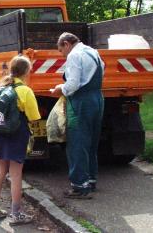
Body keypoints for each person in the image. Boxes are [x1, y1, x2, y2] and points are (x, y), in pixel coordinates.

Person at [0, 55, 41, 225]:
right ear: (27, 71)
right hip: (16, 135)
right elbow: (34, 117)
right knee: (16, 174)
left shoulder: (1, 87)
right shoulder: (25, 91)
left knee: (0, 172)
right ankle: (16, 214)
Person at [51, 32, 104, 199]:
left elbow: (73, 84)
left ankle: (79, 186)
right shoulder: (92, 51)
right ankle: (91, 179)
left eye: (61, 50)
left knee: (77, 142)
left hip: (81, 101)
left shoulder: (74, 55)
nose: (63, 54)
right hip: (97, 98)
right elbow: (103, 69)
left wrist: (60, 89)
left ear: (66, 44)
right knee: (91, 142)